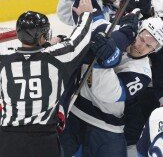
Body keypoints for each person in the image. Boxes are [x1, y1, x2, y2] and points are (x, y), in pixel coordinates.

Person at [60, 17, 163, 157]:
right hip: (75, 113)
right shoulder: (117, 35)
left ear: (154, 50)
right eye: (142, 39)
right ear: (138, 32)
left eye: (149, 46)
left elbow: (108, 93)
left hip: (105, 126)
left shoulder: (142, 72)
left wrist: (108, 60)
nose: (141, 46)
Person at [0, 9, 95, 157]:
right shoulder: (57, 58)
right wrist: (86, 14)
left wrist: (46, 45)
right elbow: (79, 40)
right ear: (42, 36)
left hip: (9, 140)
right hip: (43, 141)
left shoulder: (4, 59)